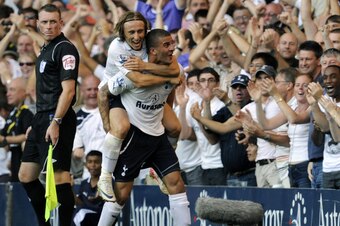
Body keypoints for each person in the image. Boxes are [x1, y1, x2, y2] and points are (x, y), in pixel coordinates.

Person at [98, 29, 191, 226]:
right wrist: (108, 124)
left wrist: (167, 108)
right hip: (134, 137)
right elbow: (103, 92)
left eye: (173, 43)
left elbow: (170, 92)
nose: (172, 48)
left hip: (157, 135)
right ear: (153, 51)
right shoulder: (131, 74)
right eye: (167, 45)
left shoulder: (177, 71)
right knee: (121, 195)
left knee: (176, 184)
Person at [18, 4, 79, 226]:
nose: (48, 26)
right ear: (38, 23)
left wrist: (55, 121)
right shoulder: (46, 48)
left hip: (57, 117)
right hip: (42, 116)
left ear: (61, 23)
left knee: (60, 175)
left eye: (53, 21)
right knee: (26, 175)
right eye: (44, 21)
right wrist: (37, 122)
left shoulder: (65, 49)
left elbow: (69, 90)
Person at [72, 75, 106, 182]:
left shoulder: (112, 111)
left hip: (112, 169)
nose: (93, 93)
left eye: (96, 89)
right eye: (89, 89)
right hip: (89, 172)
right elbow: (77, 151)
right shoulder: (76, 116)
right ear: (82, 91)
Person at [0, 78, 34, 182]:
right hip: (14, 160)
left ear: (24, 92)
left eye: (12, 90)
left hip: (25, 161)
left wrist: (6, 140)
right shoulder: (12, 114)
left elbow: (27, 135)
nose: (8, 94)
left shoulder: (28, 112)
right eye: (7, 90)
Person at [73, 150, 104, 226]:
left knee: (82, 213)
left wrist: (99, 198)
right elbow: (79, 203)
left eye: (96, 162)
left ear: (102, 164)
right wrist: (70, 188)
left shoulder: (107, 182)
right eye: (90, 162)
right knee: (77, 212)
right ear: (86, 165)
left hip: (100, 218)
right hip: (85, 218)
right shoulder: (84, 183)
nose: (93, 165)